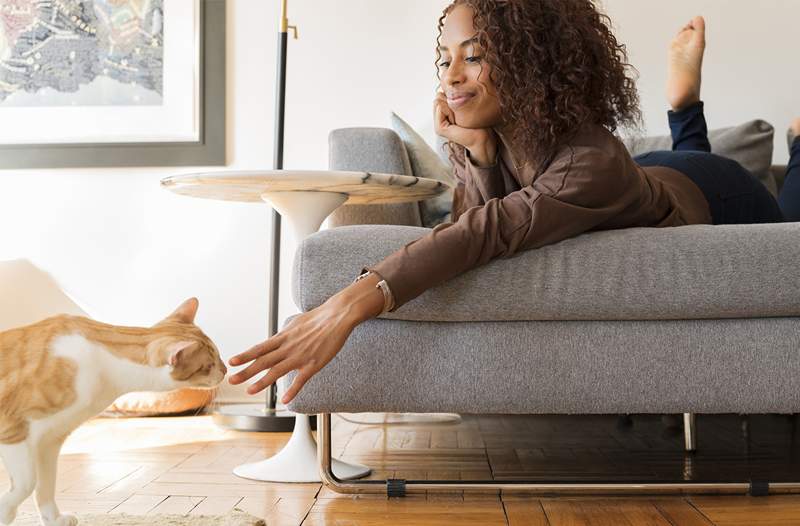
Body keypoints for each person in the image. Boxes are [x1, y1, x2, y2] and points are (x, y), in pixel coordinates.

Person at [228, 0, 800, 404]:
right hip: (644, 178)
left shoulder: (591, 165)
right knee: (661, 169)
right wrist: (474, 151)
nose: (451, 75)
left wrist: (346, 303)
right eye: (445, 58)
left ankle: (777, 140)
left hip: (715, 190)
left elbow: (486, 233)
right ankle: (687, 113)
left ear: (532, 64)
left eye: (473, 56)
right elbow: (475, 219)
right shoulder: (500, 134)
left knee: (790, 215)